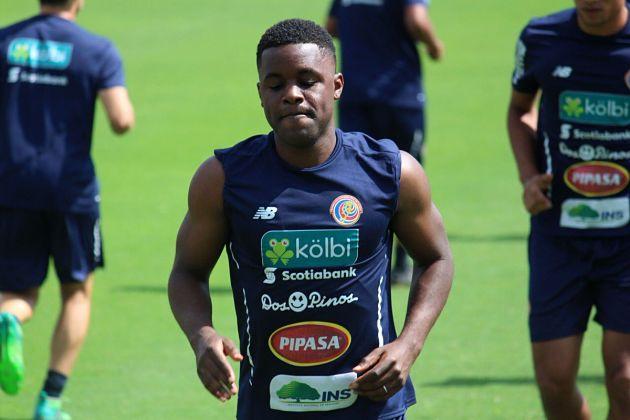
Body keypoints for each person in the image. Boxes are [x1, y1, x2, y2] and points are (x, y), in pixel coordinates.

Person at [168, 18, 452, 420]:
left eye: (307, 80)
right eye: (276, 84)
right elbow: (187, 272)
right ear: (260, 94)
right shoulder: (223, 178)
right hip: (270, 408)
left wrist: (408, 344)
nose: (292, 95)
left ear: (336, 85)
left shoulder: (392, 172)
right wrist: (202, 336)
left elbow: (437, 258)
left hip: (372, 406)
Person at [0, 0, 134, 418]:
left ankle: (9, 318)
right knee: (76, 291)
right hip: (70, 191)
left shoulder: (6, 41)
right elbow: (121, 119)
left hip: (10, 187)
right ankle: (50, 401)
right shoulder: (97, 49)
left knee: (20, 291)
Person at [507, 0, 630, 418]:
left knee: (625, 379)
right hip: (558, 236)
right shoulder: (541, 37)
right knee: (554, 382)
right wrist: (528, 177)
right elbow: (520, 109)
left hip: (628, 241)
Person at [326, 0, 444, 284]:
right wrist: (433, 45)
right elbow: (416, 19)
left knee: (356, 175)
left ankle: (360, 259)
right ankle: (403, 264)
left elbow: (331, 27)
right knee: (404, 175)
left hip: (355, 95)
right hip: (399, 95)